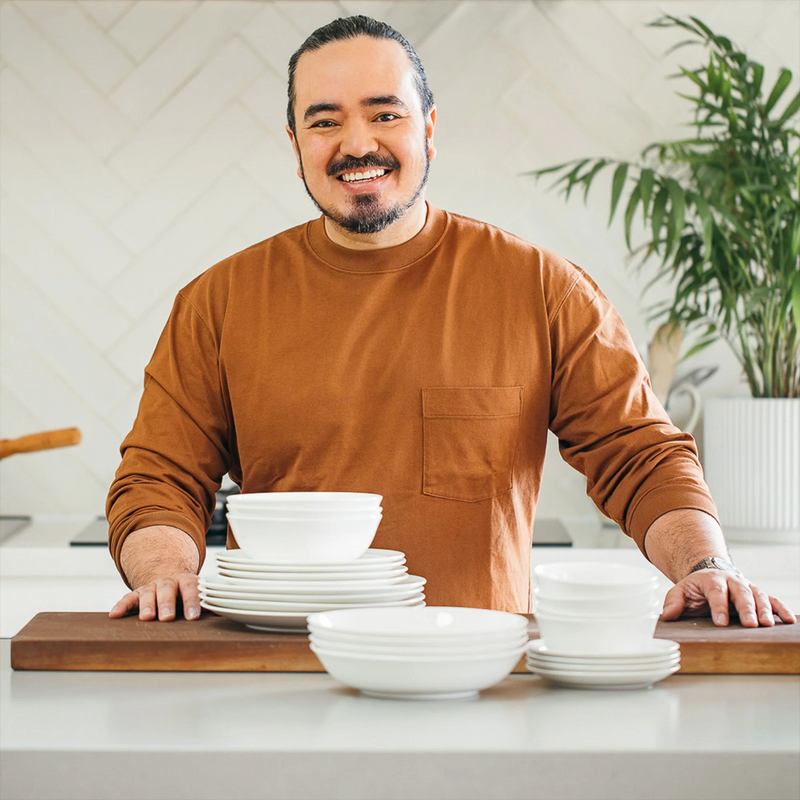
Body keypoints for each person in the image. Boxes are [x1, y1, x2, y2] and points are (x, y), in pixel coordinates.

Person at [107, 15, 795, 629]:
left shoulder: (543, 288)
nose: (356, 143)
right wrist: (163, 570)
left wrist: (706, 564)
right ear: (295, 142)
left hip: (480, 675)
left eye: (385, 114)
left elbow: (639, 457)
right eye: (324, 121)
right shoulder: (217, 302)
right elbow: (158, 477)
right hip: (278, 667)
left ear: (428, 126)